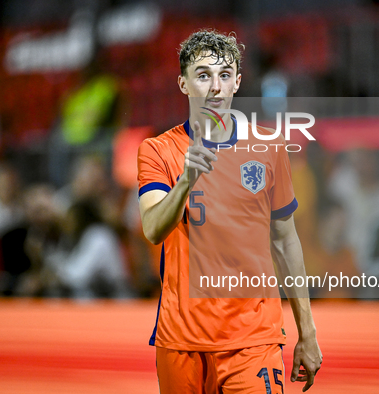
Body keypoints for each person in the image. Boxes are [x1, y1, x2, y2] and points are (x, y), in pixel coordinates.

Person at [137, 30, 321, 393]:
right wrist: (186, 180)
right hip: (182, 339)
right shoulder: (158, 151)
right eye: (203, 75)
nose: (215, 87)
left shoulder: (269, 148)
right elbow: (153, 229)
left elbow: (286, 242)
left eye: (224, 75)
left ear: (237, 81)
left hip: (254, 337)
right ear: (183, 84)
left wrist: (308, 332)